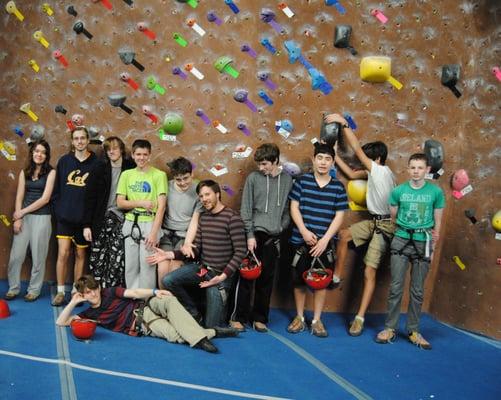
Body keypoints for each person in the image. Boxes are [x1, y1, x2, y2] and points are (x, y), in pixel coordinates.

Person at [325, 113, 396, 337]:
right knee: (344, 235)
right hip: (374, 221)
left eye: (367, 158)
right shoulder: (375, 173)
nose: (362, 160)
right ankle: (337, 276)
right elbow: (351, 174)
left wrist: (342, 123)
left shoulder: (382, 171)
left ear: (376, 160)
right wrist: (334, 155)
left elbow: (356, 150)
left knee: (368, 271)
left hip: (385, 226)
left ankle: (360, 317)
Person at [147, 180, 247, 328]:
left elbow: (240, 252)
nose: (204, 199)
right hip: (203, 270)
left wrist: (223, 276)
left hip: (220, 276)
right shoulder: (204, 218)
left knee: (212, 326)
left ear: (218, 194)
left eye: (207, 194)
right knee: (168, 280)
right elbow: (196, 250)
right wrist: (169, 255)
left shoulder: (232, 218)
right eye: (201, 196)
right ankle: (193, 312)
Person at [55, 275, 239, 353]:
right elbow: (61, 323)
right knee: (175, 336)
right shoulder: (89, 314)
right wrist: (73, 302)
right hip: (143, 324)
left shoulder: (109, 292)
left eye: (93, 289)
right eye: (87, 292)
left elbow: (133, 293)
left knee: (168, 300)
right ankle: (212, 332)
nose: (92, 294)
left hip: (146, 304)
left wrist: (154, 291)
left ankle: (201, 338)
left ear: (98, 287)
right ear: (83, 295)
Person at [376, 153, 445, 350]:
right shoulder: (399, 191)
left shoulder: (435, 193)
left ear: (427, 170)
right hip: (402, 239)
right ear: (408, 169)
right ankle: (390, 328)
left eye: (420, 168)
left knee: (417, 290)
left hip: (424, 241)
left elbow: (437, 221)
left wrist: (433, 247)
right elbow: (393, 216)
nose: (416, 171)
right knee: (396, 286)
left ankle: (414, 330)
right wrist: (405, 229)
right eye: (412, 167)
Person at [230, 143, 293, 332]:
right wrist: (249, 234)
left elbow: (288, 210)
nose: (261, 168)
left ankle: (259, 318)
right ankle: (239, 317)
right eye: (259, 164)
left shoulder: (287, 180)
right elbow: (246, 208)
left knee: (266, 280)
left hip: (273, 237)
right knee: (246, 278)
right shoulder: (253, 179)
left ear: (275, 161)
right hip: (253, 235)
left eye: (265, 164)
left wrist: (281, 227)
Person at [287, 143, 348, 337]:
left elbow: (339, 215)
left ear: (332, 162)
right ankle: (299, 317)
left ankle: (317, 319)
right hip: (301, 241)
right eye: (320, 158)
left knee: (321, 282)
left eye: (327, 159)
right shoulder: (302, 182)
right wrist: (304, 231)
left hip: (324, 244)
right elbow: (294, 207)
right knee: (299, 282)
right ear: (314, 160)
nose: (323, 162)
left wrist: (325, 240)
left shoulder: (338, 187)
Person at [52, 127, 99, 306]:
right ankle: (60, 291)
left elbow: (95, 195)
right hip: (65, 218)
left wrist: (89, 221)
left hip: (83, 221)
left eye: (82, 138)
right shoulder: (64, 161)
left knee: (80, 254)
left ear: (88, 140)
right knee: (63, 253)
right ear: (72, 142)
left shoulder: (96, 163)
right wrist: (60, 211)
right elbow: (56, 191)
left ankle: (76, 291)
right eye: (76, 138)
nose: (79, 141)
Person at [4, 140, 56, 301]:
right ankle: (13, 288)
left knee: (39, 256)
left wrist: (21, 213)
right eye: (36, 151)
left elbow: (45, 199)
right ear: (32, 153)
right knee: (15, 256)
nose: (39, 154)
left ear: (46, 155)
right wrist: (18, 218)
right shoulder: (24, 172)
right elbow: (19, 196)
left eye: (42, 152)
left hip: (42, 218)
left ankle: (34, 289)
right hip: (23, 218)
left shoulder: (51, 172)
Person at [83, 136, 135, 288]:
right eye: (108, 149)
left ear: (121, 150)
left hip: (121, 219)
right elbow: (89, 198)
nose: (111, 152)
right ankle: (96, 291)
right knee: (97, 258)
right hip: (100, 220)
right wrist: (86, 225)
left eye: (115, 148)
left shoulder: (130, 168)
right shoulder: (99, 168)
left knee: (116, 259)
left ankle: (111, 293)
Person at [116, 139, 167, 289]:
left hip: (149, 223)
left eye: (145, 154)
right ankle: (132, 298)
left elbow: (161, 206)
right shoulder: (126, 175)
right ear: (132, 155)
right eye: (138, 154)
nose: (141, 158)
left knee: (147, 266)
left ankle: (144, 301)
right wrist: (141, 203)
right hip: (131, 221)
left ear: (150, 155)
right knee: (131, 266)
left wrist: (154, 233)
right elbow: (120, 202)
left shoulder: (159, 175)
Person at [157, 157, 202, 287]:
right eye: (178, 179)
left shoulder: (199, 190)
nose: (182, 183)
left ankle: (174, 303)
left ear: (192, 174)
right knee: (162, 268)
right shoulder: (167, 187)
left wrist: (188, 243)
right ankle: (163, 301)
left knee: (174, 269)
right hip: (166, 234)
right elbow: (160, 211)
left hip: (184, 235)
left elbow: (195, 220)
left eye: (186, 178)